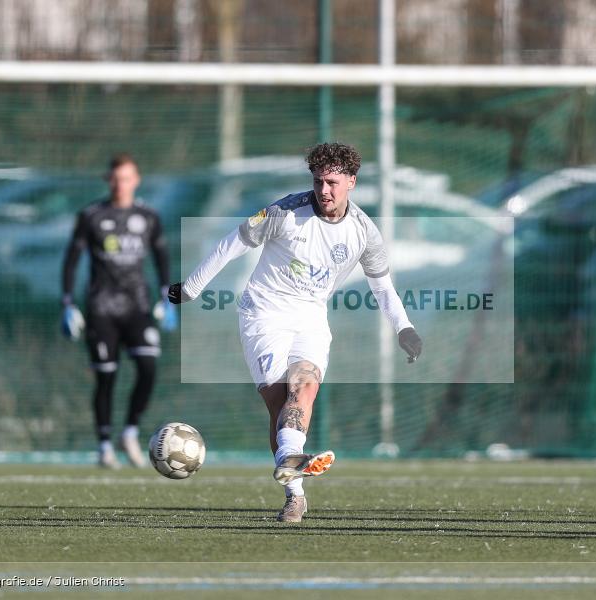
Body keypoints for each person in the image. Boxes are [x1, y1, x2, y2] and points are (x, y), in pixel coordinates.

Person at [168, 142, 422, 522]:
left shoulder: (364, 233)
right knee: (279, 404)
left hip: (310, 320)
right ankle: (295, 488)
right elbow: (232, 242)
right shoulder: (285, 212)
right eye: (319, 182)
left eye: (333, 182)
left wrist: (405, 328)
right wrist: (191, 287)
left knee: (301, 390)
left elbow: (383, 287)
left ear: (351, 182)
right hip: (263, 313)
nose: (324, 191)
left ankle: (291, 472)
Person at [61, 153, 177, 469]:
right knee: (106, 379)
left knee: (148, 367)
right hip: (102, 308)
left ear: (136, 180)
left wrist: (167, 296)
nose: (120, 184)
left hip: (138, 307)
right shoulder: (91, 215)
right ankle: (104, 446)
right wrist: (68, 303)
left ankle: (130, 432)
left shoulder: (149, 216)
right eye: (115, 178)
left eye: (126, 177)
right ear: (107, 180)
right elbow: (71, 260)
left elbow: (161, 257)